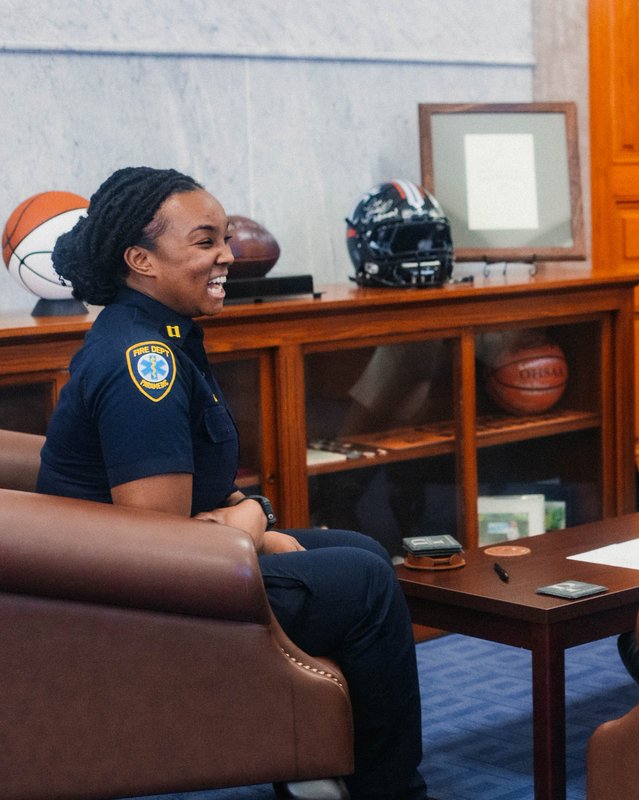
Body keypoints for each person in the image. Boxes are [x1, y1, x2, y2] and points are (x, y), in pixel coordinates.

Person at [36, 166, 428, 800]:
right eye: (204, 241)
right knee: (363, 583)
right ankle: (389, 791)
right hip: (124, 599)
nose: (227, 254)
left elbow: (200, 489)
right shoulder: (145, 363)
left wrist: (255, 520)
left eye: (223, 237)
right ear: (141, 259)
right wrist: (254, 525)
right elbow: (160, 546)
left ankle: (318, 768)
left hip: (145, 567)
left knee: (355, 551)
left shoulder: (161, 332)